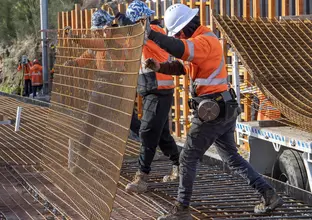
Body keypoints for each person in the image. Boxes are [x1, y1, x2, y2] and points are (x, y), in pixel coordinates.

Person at [144, 4, 284, 219]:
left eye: (180, 32)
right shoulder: (200, 41)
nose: (179, 36)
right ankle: (268, 194)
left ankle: (181, 210)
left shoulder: (204, 41)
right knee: (232, 158)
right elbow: (183, 66)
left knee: (188, 157)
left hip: (213, 110)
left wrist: (152, 34)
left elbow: (178, 48)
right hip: (221, 108)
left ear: (188, 26)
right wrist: (160, 67)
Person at [122, 1, 180, 194]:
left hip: (159, 90)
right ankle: (179, 165)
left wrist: (144, 37)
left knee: (146, 131)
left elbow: (160, 52)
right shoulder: (140, 34)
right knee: (161, 135)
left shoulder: (153, 32)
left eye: (135, 21)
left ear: (144, 18)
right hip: (150, 90)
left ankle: (142, 176)